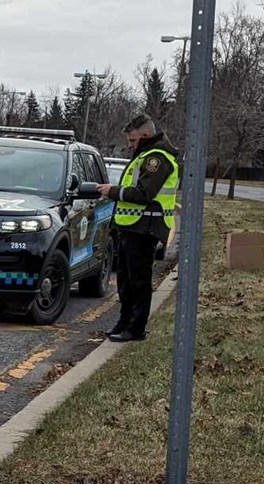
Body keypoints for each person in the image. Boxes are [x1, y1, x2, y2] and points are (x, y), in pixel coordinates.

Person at [96, 114, 178, 342]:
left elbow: (144, 194)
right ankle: (124, 322)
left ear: (146, 135)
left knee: (138, 281)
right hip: (132, 227)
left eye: (133, 141)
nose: (130, 146)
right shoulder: (144, 156)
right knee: (125, 281)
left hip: (145, 228)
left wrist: (112, 191)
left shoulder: (156, 159)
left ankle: (136, 328)